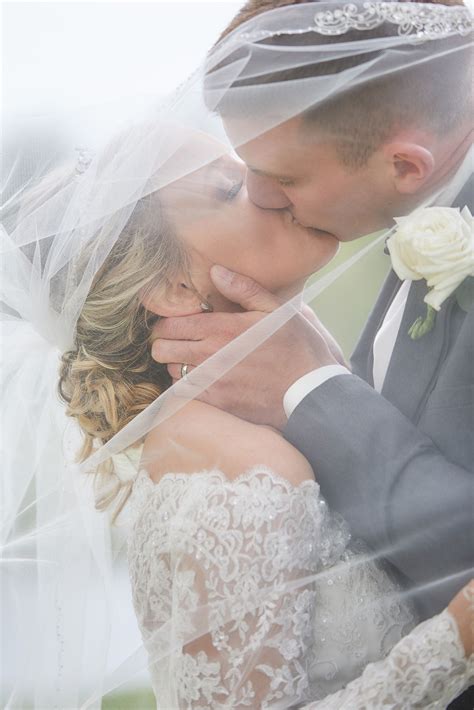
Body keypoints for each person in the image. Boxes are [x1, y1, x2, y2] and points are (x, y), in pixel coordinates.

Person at [56, 149, 472, 708]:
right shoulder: (243, 469)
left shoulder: (268, 421)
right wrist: (455, 640)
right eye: (229, 188)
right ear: (176, 290)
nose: (269, 187)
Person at [151, 0, 474, 621]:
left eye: (286, 179)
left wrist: (312, 388)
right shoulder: (412, 222)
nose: (260, 196)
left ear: (406, 166)